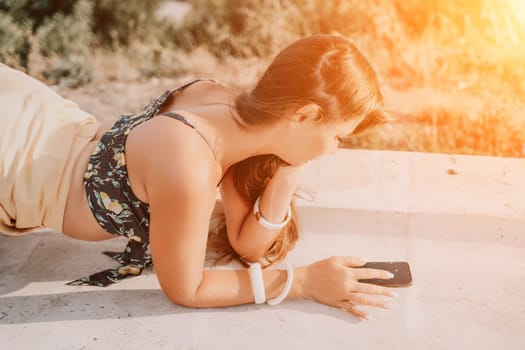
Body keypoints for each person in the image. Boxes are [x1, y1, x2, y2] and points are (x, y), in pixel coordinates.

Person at [0, 34, 395, 320]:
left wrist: (288, 174)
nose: (334, 149)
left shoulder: (220, 102)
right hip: (18, 161)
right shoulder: (190, 165)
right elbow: (187, 289)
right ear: (305, 116)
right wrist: (304, 281)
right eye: (337, 136)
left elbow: (250, 247)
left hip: (40, 120)